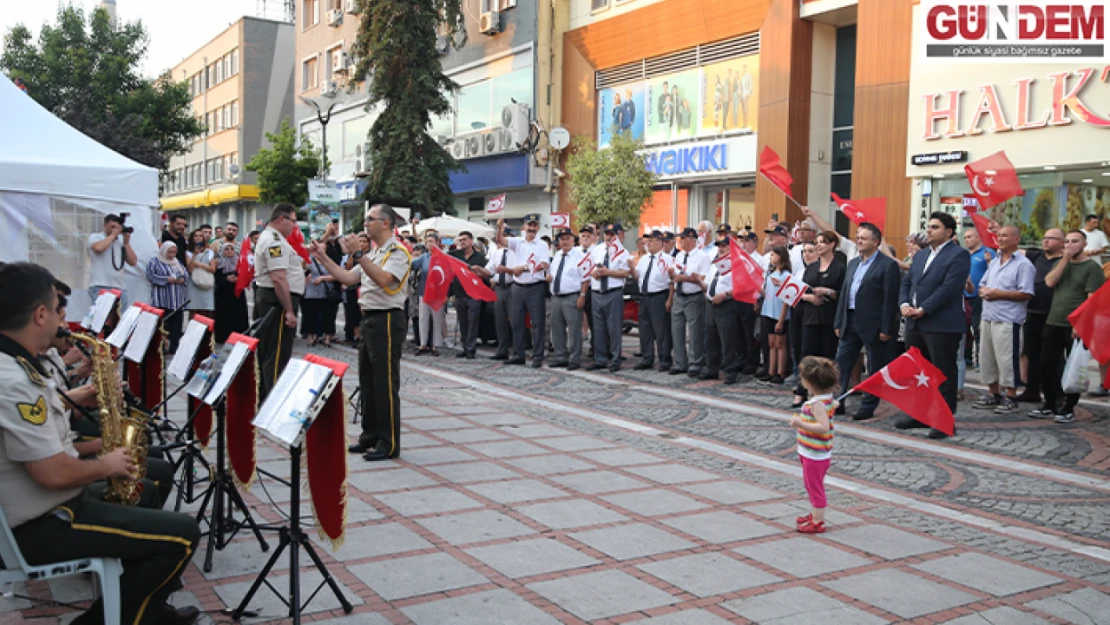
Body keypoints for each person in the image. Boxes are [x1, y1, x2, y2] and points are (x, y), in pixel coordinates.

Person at [0, 262, 200, 625]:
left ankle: (149, 609)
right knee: (182, 536)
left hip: (43, 508)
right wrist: (107, 464)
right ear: (40, 314)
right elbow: (52, 474)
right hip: (41, 523)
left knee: (148, 492)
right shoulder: (14, 380)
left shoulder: (16, 365)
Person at [312, 203, 411, 461]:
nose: (365, 224)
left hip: (387, 320)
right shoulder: (376, 252)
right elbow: (347, 277)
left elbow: (383, 279)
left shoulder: (397, 252)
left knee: (385, 382)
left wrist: (359, 254)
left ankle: (388, 443)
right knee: (368, 382)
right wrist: (321, 257)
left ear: (386, 223)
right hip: (369, 319)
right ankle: (370, 436)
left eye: (370, 219)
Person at [899, 212, 972, 438]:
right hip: (915, 324)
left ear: (948, 232)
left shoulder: (958, 255)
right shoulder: (920, 257)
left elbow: (949, 288)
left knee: (942, 373)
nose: (928, 230)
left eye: (935, 227)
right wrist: (903, 304)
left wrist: (924, 308)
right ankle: (920, 415)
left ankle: (943, 421)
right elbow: (907, 282)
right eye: (928, 226)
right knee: (918, 372)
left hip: (941, 325)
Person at [1032, 230, 1105, 423]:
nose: (1071, 244)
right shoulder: (1060, 263)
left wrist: (1082, 324)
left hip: (1075, 326)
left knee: (1074, 367)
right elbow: (1049, 282)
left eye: (1076, 241)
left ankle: (1069, 406)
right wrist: (1065, 259)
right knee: (1046, 364)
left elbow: (1092, 301)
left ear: (1084, 243)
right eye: (1068, 241)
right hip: (1053, 321)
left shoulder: (1092, 268)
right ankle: (1049, 403)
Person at [833, 223, 902, 420]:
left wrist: (886, 328)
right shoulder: (854, 263)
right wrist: (839, 321)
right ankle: (838, 401)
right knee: (842, 363)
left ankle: (868, 405)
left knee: (874, 366)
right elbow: (846, 294)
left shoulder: (888, 265)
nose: (859, 240)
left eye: (863, 238)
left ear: (876, 242)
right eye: (858, 237)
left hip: (874, 323)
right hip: (850, 319)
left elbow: (890, 300)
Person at [971, 225, 1035, 413]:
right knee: (987, 358)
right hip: (988, 316)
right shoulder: (994, 262)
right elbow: (982, 284)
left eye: (1005, 235)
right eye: (999, 235)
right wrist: (984, 291)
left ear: (1016, 239)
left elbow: (1027, 293)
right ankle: (993, 393)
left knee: (1007, 359)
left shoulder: (1024, 265)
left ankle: (1011, 396)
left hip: (1008, 319)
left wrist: (999, 294)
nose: (1000, 239)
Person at [253, 203, 306, 400]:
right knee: (276, 355)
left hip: (271, 299)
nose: (295, 225)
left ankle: (266, 398)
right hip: (276, 302)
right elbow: (278, 278)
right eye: (293, 220)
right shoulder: (274, 240)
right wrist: (289, 311)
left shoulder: (274, 238)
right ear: (281, 219)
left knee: (270, 352)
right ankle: (272, 401)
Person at [793, 231, 846, 401]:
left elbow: (843, 294)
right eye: (816, 242)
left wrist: (828, 292)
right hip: (810, 315)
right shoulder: (811, 267)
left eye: (823, 242)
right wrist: (809, 297)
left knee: (826, 357)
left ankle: (825, 393)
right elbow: (802, 290)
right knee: (807, 354)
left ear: (832, 244)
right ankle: (803, 391)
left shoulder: (840, 268)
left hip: (829, 316)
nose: (818, 245)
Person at [790, 356, 839, 535]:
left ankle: (818, 521)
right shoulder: (827, 400)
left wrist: (800, 423)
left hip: (815, 454)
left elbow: (823, 427)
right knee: (810, 484)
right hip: (810, 451)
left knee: (814, 486)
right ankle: (814, 514)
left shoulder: (817, 404)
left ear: (809, 383)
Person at [1016, 229, 1065, 403]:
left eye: (1051, 238)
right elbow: (1013, 247)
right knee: (1031, 352)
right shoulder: (1036, 256)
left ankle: (1057, 391)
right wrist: (996, 231)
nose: (1046, 241)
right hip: (1033, 311)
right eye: (1044, 238)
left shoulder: (1065, 261)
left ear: (1062, 242)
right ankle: (1032, 389)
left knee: (1053, 355)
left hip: (1053, 314)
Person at [496, 214, 551, 368]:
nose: (531, 228)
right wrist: (499, 227)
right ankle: (518, 354)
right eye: (529, 225)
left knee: (537, 323)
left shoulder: (541, 245)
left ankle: (537, 356)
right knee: (516, 322)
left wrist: (524, 267)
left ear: (538, 228)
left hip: (535, 287)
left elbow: (544, 264)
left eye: (534, 226)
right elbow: (500, 241)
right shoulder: (518, 242)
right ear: (524, 227)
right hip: (518, 287)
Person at [586, 224, 631, 372]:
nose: (609, 237)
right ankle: (600, 359)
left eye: (612, 234)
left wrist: (608, 272)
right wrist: (594, 273)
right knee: (598, 328)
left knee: (614, 328)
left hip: (613, 292)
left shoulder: (622, 252)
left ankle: (616, 359)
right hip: (597, 292)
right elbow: (590, 268)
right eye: (607, 234)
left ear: (617, 236)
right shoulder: (597, 250)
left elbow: (625, 273)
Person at [700, 238, 742, 384]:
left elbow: (741, 286)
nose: (721, 248)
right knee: (712, 339)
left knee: (728, 340)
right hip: (711, 303)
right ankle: (712, 368)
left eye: (724, 246)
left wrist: (725, 295)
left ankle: (730, 371)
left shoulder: (736, 263)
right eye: (719, 245)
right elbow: (710, 281)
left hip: (727, 304)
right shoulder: (715, 262)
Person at [668, 228, 709, 378]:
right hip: (679, 295)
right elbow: (675, 275)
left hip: (694, 296)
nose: (681, 241)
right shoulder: (679, 255)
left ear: (692, 239)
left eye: (683, 238)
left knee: (695, 332)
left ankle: (695, 363)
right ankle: (680, 362)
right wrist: (673, 276)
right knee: (677, 331)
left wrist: (683, 278)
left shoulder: (702, 257)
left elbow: (703, 278)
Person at [631, 231, 673, 371]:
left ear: (661, 242)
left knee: (661, 330)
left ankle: (664, 359)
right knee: (644, 329)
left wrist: (669, 299)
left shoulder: (667, 259)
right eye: (647, 241)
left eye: (652, 241)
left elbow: (671, 281)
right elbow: (638, 276)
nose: (648, 243)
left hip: (659, 296)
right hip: (644, 296)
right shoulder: (644, 259)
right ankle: (647, 358)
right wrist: (631, 268)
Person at [546, 228, 588, 370]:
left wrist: (582, 295)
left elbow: (586, 278)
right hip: (556, 296)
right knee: (557, 328)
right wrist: (549, 277)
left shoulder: (580, 255)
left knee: (574, 329)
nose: (565, 241)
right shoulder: (557, 255)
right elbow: (553, 273)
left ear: (573, 240)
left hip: (572, 296)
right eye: (562, 239)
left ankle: (574, 359)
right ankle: (560, 357)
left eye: (567, 238)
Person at [449, 231, 491, 359]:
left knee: (473, 322)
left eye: (465, 239)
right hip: (459, 293)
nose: (462, 242)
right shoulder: (456, 255)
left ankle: (471, 349)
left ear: (471, 241)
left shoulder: (481, 257)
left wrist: (479, 273)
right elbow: (443, 257)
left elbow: (487, 275)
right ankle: (465, 346)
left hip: (474, 295)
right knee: (463, 322)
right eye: (460, 240)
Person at [86, 214, 137, 308]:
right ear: (105, 225)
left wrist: (126, 243)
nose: (115, 230)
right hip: (100, 285)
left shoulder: (120, 242)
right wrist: (113, 235)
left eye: (117, 227)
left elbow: (133, 261)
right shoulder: (96, 237)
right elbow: (98, 248)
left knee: (120, 320)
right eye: (112, 227)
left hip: (120, 287)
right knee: (102, 319)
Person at [146, 242, 188, 352]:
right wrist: (166, 279)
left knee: (176, 326)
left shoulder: (177, 262)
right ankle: (160, 348)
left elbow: (185, 274)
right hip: (163, 300)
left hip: (177, 300)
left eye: (174, 252)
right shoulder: (155, 262)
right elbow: (151, 276)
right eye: (169, 252)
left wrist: (182, 279)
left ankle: (174, 347)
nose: (171, 254)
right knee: (162, 325)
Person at [760, 246, 792, 385]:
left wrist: (781, 319)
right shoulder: (770, 274)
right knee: (771, 343)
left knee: (780, 344)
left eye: (773, 255)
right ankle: (771, 371)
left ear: (781, 257)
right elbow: (767, 293)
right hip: (768, 311)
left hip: (779, 314)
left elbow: (786, 299)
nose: (771, 257)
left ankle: (780, 372)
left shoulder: (786, 276)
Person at [962, 228, 994, 367]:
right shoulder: (964, 254)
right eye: (965, 237)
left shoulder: (987, 253)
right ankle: (966, 356)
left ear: (977, 238)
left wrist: (989, 261)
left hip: (978, 297)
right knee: (963, 328)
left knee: (977, 329)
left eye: (969, 237)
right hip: (963, 296)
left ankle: (980, 361)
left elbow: (994, 271)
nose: (966, 240)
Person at [412, 232, 445, 356]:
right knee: (423, 318)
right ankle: (423, 344)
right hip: (424, 291)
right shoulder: (424, 257)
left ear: (437, 242)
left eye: (432, 241)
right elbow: (412, 265)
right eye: (427, 241)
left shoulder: (443, 257)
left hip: (437, 293)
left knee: (437, 319)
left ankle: (435, 345)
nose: (429, 244)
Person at [486, 227, 517, 360]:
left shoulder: (517, 252)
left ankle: (517, 350)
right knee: (499, 320)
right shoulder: (497, 253)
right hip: (499, 287)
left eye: (506, 236)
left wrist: (507, 270)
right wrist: (480, 271)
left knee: (515, 321)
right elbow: (489, 269)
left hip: (512, 286)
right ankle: (502, 349)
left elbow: (521, 270)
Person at [214, 241, 248, 343]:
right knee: (224, 314)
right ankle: (223, 337)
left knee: (238, 314)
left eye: (232, 249)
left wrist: (238, 279)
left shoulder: (239, 262)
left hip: (237, 293)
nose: (229, 251)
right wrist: (226, 278)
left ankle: (239, 335)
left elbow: (245, 275)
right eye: (226, 249)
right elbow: (216, 277)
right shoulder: (218, 262)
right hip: (223, 293)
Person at [302, 255, 338, 347]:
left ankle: (327, 339)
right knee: (311, 316)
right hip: (312, 291)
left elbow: (336, 275)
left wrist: (323, 278)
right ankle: (311, 338)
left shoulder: (329, 261)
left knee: (328, 316)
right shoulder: (309, 260)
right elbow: (302, 269)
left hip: (327, 292)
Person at [186, 229, 217, 319]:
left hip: (206, 283)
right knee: (193, 310)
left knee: (206, 311)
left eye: (200, 236)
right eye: (196, 236)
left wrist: (199, 264)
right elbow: (190, 268)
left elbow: (212, 268)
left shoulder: (209, 252)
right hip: (194, 283)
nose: (198, 238)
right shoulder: (188, 252)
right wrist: (195, 255)